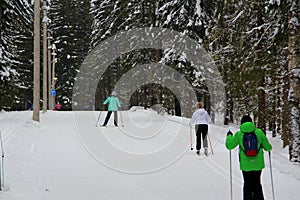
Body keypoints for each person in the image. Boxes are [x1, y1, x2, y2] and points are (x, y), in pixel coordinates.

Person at [225, 115, 272, 200]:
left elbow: (229, 146)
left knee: (247, 184)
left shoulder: (239, 134)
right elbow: (268, 147)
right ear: (251, 122)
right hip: (258, 164)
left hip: (245, 165)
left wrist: (229, 136)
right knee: (257, 183)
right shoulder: (259, 132)